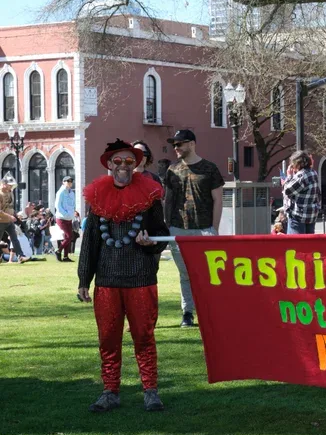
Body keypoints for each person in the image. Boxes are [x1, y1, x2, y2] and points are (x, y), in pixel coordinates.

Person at [76, 140, 171, 413]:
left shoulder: (149, 197)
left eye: (129, 162)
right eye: (118, 161)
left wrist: (150, 242)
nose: (123, 167)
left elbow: (160, 234)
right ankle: (110, 392)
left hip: (140, 278)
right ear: (109, 164)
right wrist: (84, 279)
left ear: (137, 165)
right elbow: (91, 242)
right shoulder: (97, 199)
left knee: (144, 335)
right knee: (108, 338)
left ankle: (150, 391)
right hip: (106, 281)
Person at [164, 129, 225, 328]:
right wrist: (168, 227)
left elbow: (218, 200)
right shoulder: (172, 169)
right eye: (174, 145)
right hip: (178, 229)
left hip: (205, 229)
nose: (176, 148)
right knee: (185, 274)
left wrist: (214, 230)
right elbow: (169, 200)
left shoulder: (210, 168)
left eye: (179, 144)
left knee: (208, 274)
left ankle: (210, 310)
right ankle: (187, 313)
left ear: (192, 144)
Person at [282, 151, 321, 234]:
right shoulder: (313, 173)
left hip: (298, 216)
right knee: (308, 244)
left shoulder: (301, 176)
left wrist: (289, 176)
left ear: (298, 163)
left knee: (295, 245)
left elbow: (287, 191)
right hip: (310, 215)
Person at [0, 177, 30, 263]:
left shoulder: (10, 193)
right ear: (4, 184)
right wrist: (10, 216)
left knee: (15, 239)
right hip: (1, 221)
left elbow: (10, 207)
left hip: (9, 222)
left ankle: (21, 256)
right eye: (10, 185)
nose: (11, 187)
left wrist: (15, 214)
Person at [54, 176, 77, 262]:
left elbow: (73, 204)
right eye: (67, 181)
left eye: (71, 181)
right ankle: (58, 251)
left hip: (69, 218)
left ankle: (65, 256)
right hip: (61, 218)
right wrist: (66, 214)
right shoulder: (60, 192)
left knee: (68, 237)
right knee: (69, 236)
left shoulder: (71, 193)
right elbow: (57, 206)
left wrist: (72, 213)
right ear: (63, 182)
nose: (69, 183)